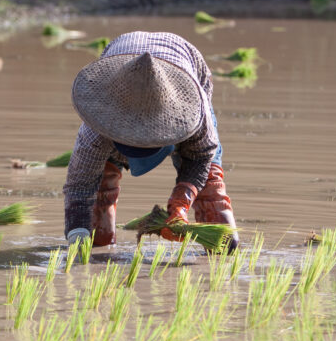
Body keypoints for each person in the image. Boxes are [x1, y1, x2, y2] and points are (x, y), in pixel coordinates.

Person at [63, 31, 239, 251]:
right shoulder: (97, 128)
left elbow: (201, 157)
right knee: (97, 234)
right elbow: (79, 188)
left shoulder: (194, 113)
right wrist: (78, 234)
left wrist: (180, 205)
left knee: (224, 236)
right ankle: (100, 244)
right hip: (122, 78)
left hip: (182, 62)